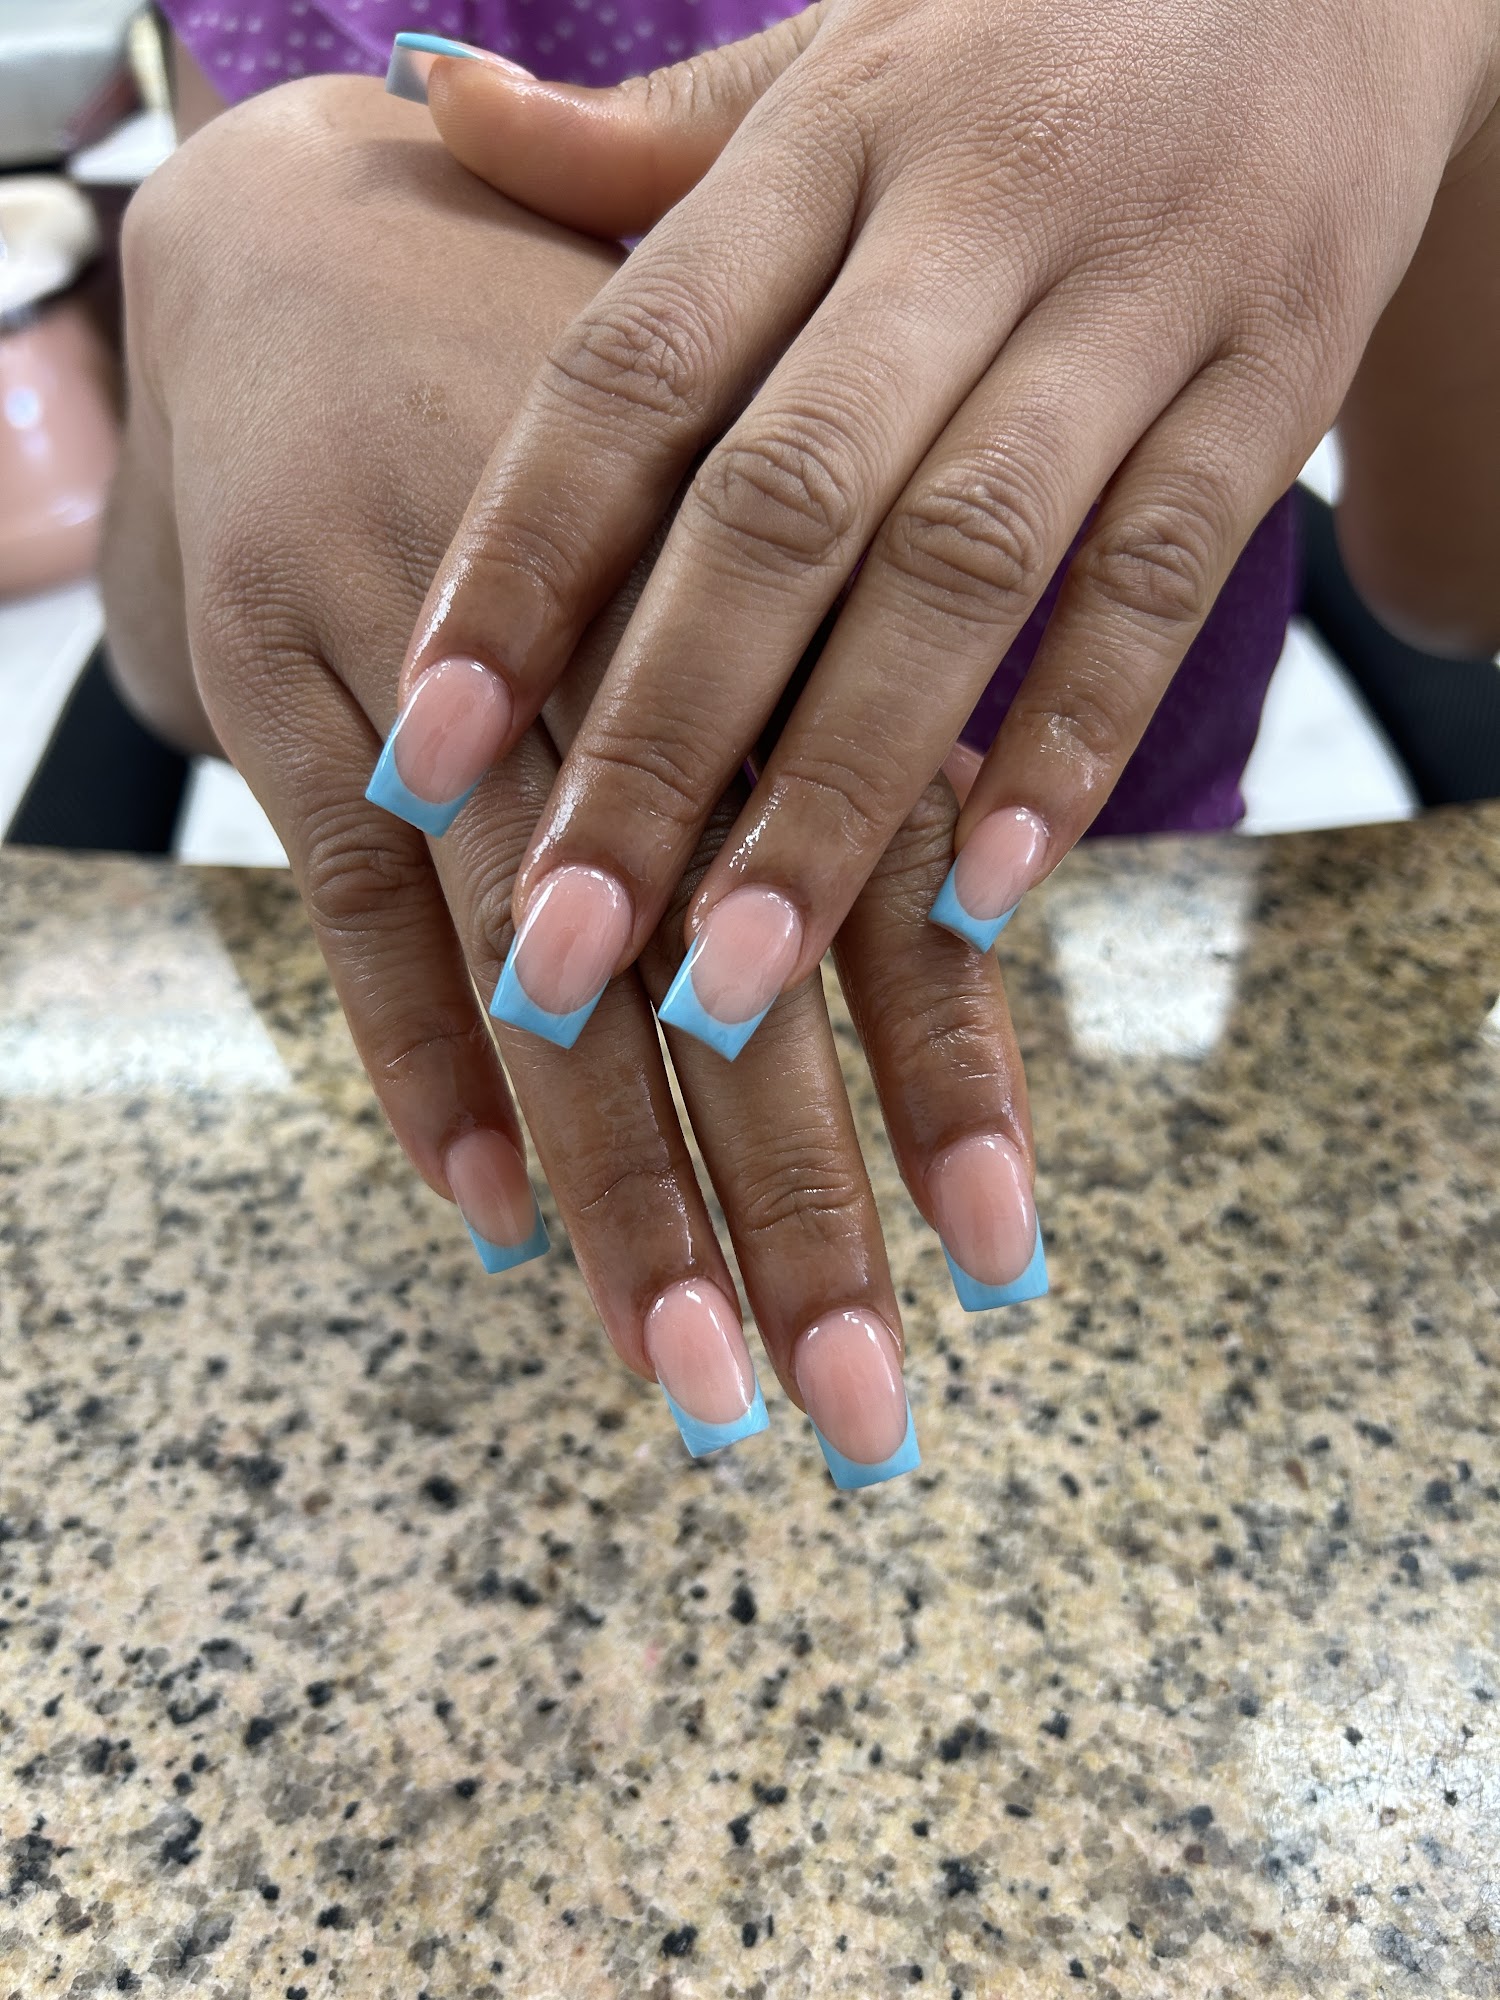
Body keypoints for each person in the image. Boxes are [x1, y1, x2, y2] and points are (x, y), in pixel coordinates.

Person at [104, 4, 1499, 1485]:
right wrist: (232, 247)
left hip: (1121, 967)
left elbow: (1460, 578)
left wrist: (1442, 48)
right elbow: (183, 684)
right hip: (525, 1034)